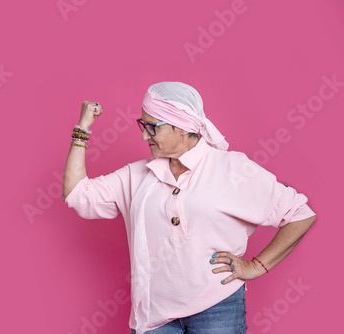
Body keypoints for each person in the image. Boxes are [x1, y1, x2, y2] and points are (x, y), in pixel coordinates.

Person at [62, 82, 316, 334]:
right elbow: (77, 195)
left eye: (151, 127)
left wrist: (256, 266)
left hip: (218, 309)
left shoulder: (232, 168)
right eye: (143, 125)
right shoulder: (138, 175)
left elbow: (299, 214)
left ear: (182, 127)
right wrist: (82, 129)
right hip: (154, 317)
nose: (143, 136)